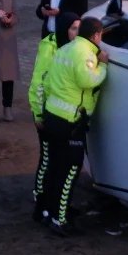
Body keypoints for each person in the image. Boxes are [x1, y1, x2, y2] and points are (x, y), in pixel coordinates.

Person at [37, 16, 109, 235]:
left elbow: (47, 82)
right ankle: (60, 220)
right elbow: (88, 80)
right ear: (96, 35)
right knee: (70, 171)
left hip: (52, 115)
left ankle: (49, 211)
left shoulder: (65, 49)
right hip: (70, 122)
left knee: (55, 167)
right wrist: (103, 66)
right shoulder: (85, 54)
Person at [28, 12, 80, 222]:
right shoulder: (50, 48)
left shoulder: (73, 48)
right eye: (73, 29)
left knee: (57, 160)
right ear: (63, 29)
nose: (77, 33)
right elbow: (38, 84)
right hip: (46, 113)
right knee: (47, 157)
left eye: (80, 28)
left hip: (58, 113)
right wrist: (38, 115)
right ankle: (40, 201)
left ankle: (54, 203)